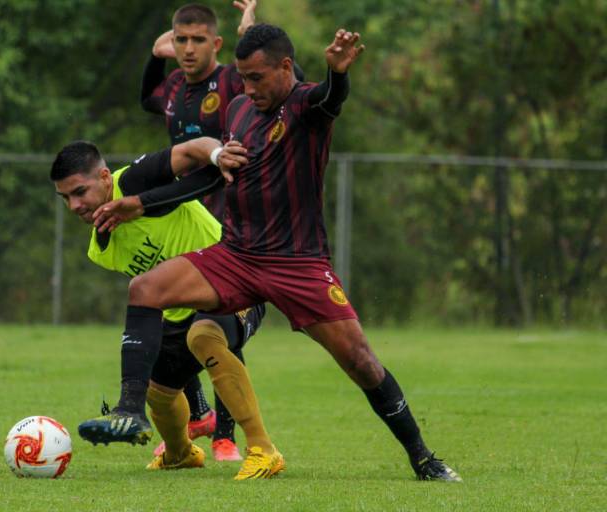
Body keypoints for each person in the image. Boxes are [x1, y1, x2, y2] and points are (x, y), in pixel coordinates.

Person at [95, 24, 462, 482]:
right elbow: (214, 178)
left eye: (256, 78)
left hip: (298, 264)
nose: (247, 88)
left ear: (286, 68)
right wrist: (140, 203)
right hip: (237, 255)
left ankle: (423, 458)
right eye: (242, 78)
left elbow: (331, 99)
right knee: (145, 288)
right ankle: (131, 407)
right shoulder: (239, 111)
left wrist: (338, 74)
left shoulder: (306, 105)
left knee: (361, 362)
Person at [50, 137, 283, 478]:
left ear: (104, 177)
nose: (73, 205)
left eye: (79, 192)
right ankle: (180, 453)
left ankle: (264, 450)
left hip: (234, 283)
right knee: (159, 394)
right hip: (178, 313)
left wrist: (217, 154)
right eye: (65, 198)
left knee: (204, 336)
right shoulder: (102, 243)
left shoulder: (136, 180)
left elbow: (195, 148)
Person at [139, 1, 259, 461]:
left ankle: (226, 435)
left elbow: (282, 82)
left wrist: (253, 28)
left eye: (197, 40)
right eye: (181, 40)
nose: (188, 49)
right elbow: (145, 97)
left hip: (230, 223)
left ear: (217, 43)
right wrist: (154, 54)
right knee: (176, 316)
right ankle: (201, 416)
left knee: (218, 327)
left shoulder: (229, 81)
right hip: (183, 222)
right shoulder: (173, 87)